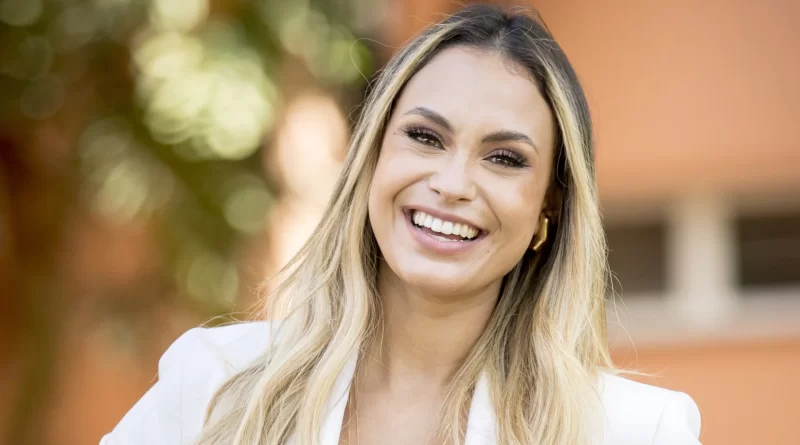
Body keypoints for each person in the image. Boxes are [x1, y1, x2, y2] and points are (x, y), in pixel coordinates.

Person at [101, 4, 701, 445]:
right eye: (424, 137)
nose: (453, 184)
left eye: (504, 158)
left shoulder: (635, 430)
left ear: (551, 204)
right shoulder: (214, 384)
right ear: (372, 157)